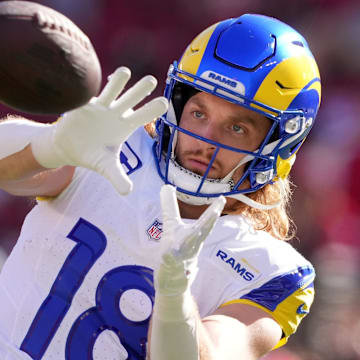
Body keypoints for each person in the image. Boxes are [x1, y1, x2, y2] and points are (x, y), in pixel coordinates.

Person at [0, 13, 321, 360]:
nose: (207, 140)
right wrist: (51, 145)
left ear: (277, 145)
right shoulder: (118, 145)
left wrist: (175, 292)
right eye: (198, 113)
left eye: (237, 128)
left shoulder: (274, 270)